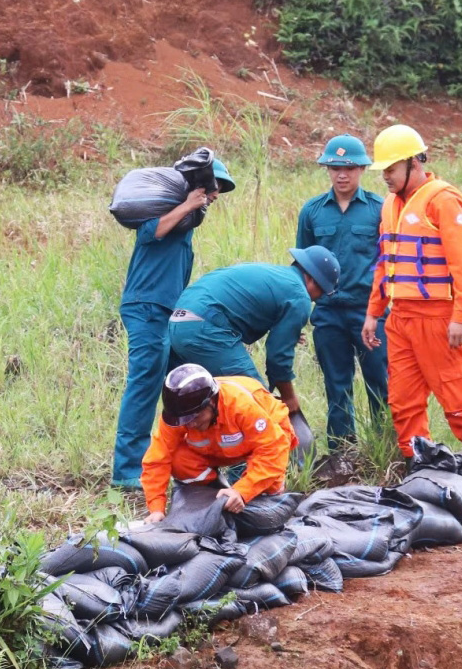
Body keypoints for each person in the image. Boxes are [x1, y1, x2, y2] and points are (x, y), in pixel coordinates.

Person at [362, 125, 462, 457]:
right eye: (383, 170)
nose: (386, 177)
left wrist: (461, 317)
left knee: (457, 397)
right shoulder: (389, 206)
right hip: (400, 319)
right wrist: (373, 313)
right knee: (403, 402)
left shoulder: (443, 200)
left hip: (437, 318)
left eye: (391, 169)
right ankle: (419, 466)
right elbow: (385, 263)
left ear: (414, 162)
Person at [110, 158, 235, 490]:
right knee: (144, 383)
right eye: (213, 188)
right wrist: (189, 204)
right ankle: (126, 469)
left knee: (178, 384)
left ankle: (173, 456)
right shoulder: (165, 216)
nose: (216, 195)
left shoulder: (186, 225)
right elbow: (153, 231)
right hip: (147, 308)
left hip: (168, 313)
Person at [295, 134, 389, 454]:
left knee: (380, 382)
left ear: (362, 169)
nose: (341, 174)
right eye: (334, 167)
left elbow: (389, 263)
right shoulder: (313, 212)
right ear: (327, 170)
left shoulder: (380, 209)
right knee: (336, 386)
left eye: (348, 167)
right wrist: (296, 316)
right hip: (329, 312)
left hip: (370, 313)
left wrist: (379, 312)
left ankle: (384, 447)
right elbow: (302, 269)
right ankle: (342, 453)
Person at [166, 246, 339, 418]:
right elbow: (278, 358)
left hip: (176, 321)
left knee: (191, 407)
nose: (318, 298)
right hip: (204, 328)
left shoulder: (275, 275)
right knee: (257, 403)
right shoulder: (300, 296)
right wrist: (289, 398)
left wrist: (287, 333)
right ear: (312, 280)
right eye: (322, 292)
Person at [141, 364, 295, 522]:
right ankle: (214, 496)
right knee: (179, 460)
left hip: (267, 439)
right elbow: (157, 459)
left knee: (268, 489)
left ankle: (265, 495)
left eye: (194, 418)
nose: (190, 425)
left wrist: (242, 491)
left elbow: (272, 450)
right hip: (216, 447)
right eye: (184, 421)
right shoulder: (178, 416)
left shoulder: (241, 406)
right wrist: (156, 509)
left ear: (211, 403)